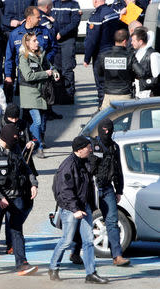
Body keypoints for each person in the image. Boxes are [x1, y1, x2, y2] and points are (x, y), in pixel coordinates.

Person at [49, 135, 109, 284]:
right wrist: (75, 209)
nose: (90, 150)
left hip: (84, 207)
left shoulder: (84, 162)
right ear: (80, 149)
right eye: (88, 147)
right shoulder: (68, 166)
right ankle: (53, 267)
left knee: (88, 241)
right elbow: (65, 191)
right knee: (67, 240)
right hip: (71, 209)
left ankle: (91, 274)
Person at [0, 123, 39, 275]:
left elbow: (25, 168)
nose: (15, 142)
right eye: (13, 138)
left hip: (16, 196)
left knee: (17, 229)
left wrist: (33, 184)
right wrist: (0, 197)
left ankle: (22, 263)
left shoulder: (14, 148)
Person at [89, 118, 130, 266]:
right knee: (84, 221)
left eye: (109, 130)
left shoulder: (114, 148)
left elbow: (118, 170)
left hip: (107, 188)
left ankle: (117, 256)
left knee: (112, 221)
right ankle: (75, 251)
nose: (107, 133)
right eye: (104, 130)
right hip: (91, 188)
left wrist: (119, 190)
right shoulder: (92, 146)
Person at [18, 32, 60, 158]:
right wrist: (46, 74)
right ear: (27, 43)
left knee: (42, 123)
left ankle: (33, 138)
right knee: (36, 122)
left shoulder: (41, 54)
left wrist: (55, 72)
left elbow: (49, 66)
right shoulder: (23, 57)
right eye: (34, 41)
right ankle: (39, 146)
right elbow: (29, 76)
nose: (38, 42)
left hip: (42, 93)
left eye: (37, 40)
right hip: (30, 93)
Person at [4, 6, 57, 99]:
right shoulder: (15, 34)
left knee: (45, 102)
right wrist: (8, 75)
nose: (40, 19)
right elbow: (9, 57)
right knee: (27, 104)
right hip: (25, 77)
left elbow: (54, 48)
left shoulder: (45, 31)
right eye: (38, 17)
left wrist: (45, 59)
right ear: (29, 18)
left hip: (42, 74)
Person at [83, 0, 120, 108]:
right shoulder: (112, 12)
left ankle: (102, 109)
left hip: (101, 54)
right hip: (113, 51)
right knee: (112, 82)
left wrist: (87, 58)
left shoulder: (97, 16)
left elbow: (92, 40)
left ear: (95, 1)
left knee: (101, 84)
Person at [96, 29, 143, 110]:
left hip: (108, 95)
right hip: (125, 95)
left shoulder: (104, 56)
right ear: (125, 41)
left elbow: (99, 72)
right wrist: (131, 75)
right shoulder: (130, 56)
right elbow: (141, 73)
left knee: (106, 120)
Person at [51, 0, 81, 105]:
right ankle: (57, 95)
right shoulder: (54, 4)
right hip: (55, 40)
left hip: (67, 40)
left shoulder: (74, 5)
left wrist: (61, 33)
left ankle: (68, 95)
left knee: (67, 68)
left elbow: (75, 22)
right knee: (56, 68)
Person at [131, 27, 160, 98]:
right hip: (136, 92)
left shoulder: (153, 54)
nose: (131, 43)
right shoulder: (135, 53)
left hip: (147, 94)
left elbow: (157, 77)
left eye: (133, 41)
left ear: (140, 42)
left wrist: (143, 83)